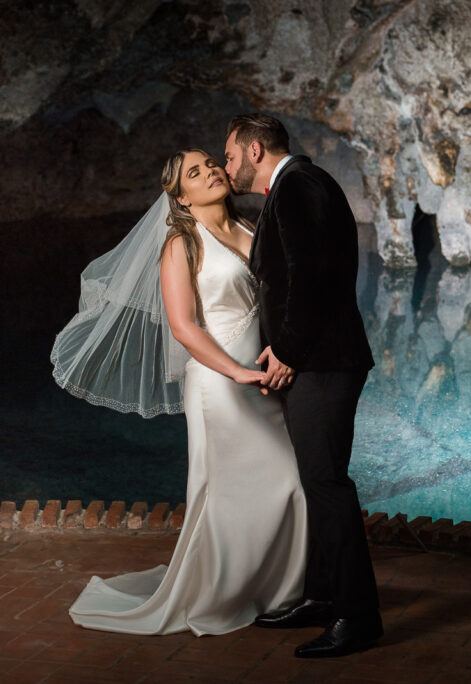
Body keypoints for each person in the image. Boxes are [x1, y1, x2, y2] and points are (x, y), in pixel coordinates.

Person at [50, 148, 308, 635]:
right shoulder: (181, 245)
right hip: (221, 384)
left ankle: (277, 593)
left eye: (211, 163)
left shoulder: (253, 228)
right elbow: (184, 328)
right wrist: (237, 373)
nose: (210, 171)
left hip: (264, 378)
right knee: (252, 489)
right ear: (180, 198)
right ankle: (221, 594)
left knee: (285, 486)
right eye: (195, 172)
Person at [223, 113, 382, 658]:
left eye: (229, 156)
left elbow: (312, 277)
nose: (227, 167)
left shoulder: (299, 186)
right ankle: (321, 595)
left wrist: (287, 351)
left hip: (324, 364)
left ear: (255, 149)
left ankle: (358, 618)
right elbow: (291, 279)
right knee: (316, 482)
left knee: (328, 485)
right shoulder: (294, 187)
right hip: (317, 362)